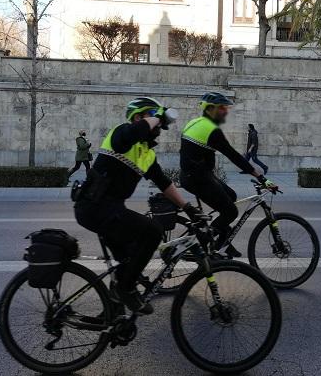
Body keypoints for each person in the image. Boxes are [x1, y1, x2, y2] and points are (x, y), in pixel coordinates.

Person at [74, 97, 200, 315]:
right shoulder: (122, 134)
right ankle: (125, 289)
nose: (159, 127)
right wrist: (157, 116)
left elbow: (164, 183)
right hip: (95, 207)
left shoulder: (146, 153)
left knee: (129, 260)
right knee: (153, 231)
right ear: (139, 117)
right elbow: (132, 133)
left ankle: (112, 316)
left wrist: (188, 207)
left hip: (110, 210)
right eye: (155, 121)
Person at [179, 92, 276, 258]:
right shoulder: (211, 130)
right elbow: (234, 156)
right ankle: (207, 243)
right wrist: (261, 177)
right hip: (198, 178)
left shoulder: (193, 123)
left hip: (194, 176)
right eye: (222, 108)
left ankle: (225, 242)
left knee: (231, 196)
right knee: (231, 212)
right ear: (210, 109)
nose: (226, 111)